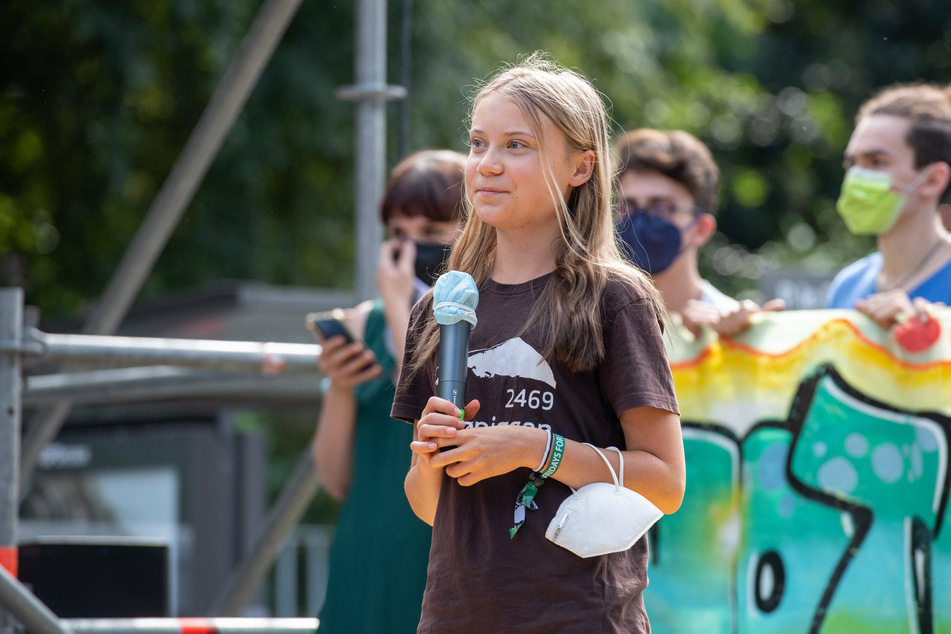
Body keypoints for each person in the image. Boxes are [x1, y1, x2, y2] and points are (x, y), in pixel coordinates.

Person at [391, 53, 686, 632]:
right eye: (478, 144)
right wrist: (430, 458)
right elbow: (432, 509)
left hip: (578, 618)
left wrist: (537, 449)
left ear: (581, 167)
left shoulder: (614, 299)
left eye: (516, 146)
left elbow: (666, 483)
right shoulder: (442, 305)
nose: (487, 165)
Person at [313, 149, 466, 634]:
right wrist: (340, 388)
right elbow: (336, 481)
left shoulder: (478, 322)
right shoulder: (363, 322)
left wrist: (405, 311)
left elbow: (439, 409)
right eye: (399, 234)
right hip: (363, 553)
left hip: (437, 554)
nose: (409, 249)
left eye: (429, 234)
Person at [614, 128, 784, 337]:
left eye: (661, 208)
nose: (639, 221)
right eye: (628, 206)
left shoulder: (731, 329)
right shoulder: (594, 327)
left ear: (702, 229)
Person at [826, 81, 951, 326]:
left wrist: (936, 335)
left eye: (877, 162)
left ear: (933, 180)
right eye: (852, 163)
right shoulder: (847, 284)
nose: (857, 177)